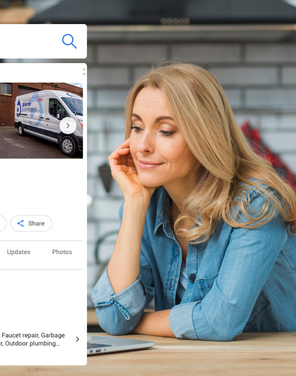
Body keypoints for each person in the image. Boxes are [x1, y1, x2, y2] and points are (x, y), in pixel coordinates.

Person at [91, 62, 296, 341]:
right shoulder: (149, 204)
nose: (142, 146)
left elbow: (219, 321)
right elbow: (114, 316)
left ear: (205, 136)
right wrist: (134, 202)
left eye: (165, 131)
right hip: (189, 364)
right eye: (136, 127)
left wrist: (135, 323)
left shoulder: (256, 205)